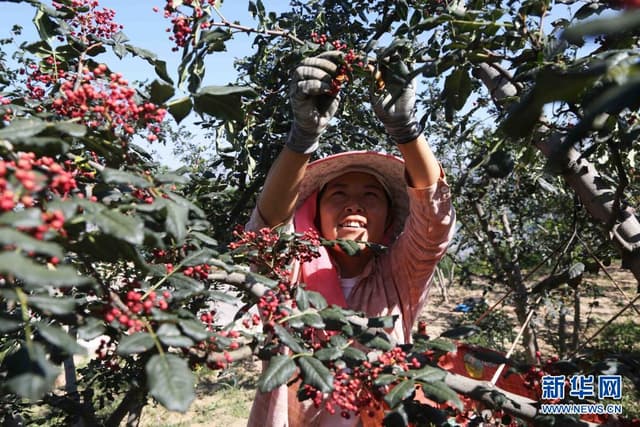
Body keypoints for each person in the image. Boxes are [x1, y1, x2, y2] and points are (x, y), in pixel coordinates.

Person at [246, 51, 456, 427]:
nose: (353, 205)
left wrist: (405, 129)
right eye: (338, 194)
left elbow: (434, 220)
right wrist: (302, 138)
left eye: (370, 196)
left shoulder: (399, 277)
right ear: (314, 213)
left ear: (390, 222)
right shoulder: (292, 272)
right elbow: (267, 228)